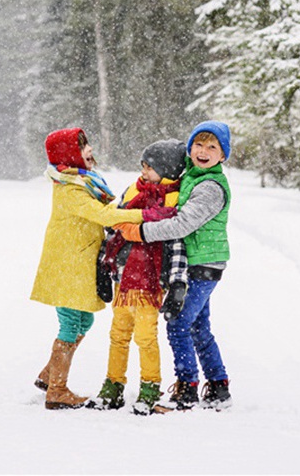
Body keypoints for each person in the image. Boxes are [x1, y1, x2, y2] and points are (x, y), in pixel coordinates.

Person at [115, 120, 233, 411]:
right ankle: (219, 387)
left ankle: (187, 388)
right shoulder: (193, 177)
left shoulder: (210, 187)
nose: (203, 151)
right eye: (198, 144)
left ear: (223, 156)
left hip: (202, 264)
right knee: (198, 327)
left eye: (212, 147)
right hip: (198, 262)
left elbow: (182, 224)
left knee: (178, 324)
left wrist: (140, 232)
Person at [31, 127, 144, 410]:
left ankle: (49, 375)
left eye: (87, 144)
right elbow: (104, 214)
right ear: (69, 156)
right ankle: (57, 390)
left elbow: (107, 205)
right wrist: (145, 215)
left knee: (86, 321)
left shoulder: (86, 181)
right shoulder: (69, 189)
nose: (89, 150)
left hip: (79, 263)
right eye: (82, 147)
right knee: (70, 323)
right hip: (66, 265)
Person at [89, 139, 188, 415]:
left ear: (167, 170)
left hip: (150, 283)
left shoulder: (174, 201)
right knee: (118, 334)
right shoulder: (133, 190)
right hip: (123, 279)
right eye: (143, 165)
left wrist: (178, 281)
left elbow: (177, 243)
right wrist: (102, 266)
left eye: (150, 167)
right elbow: (114, 227)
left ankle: (150, 386)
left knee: (145, 337)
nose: (143, 171)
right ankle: (113, 384)